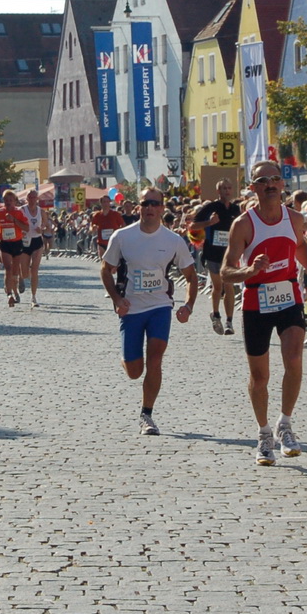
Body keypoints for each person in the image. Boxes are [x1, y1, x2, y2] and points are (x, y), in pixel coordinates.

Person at [222, 160, 307, 466]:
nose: (271, 184)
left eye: (275, 179)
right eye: (263, 181)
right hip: (256, 302)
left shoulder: (296, 218)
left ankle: (285, 424)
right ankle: (264, 434)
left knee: (295, 358)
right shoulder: (244, 225)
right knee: (260, 376)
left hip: (288, 296)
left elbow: (299, 246)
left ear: (283, 184)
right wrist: (250, 269)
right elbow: (226, 270)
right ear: (253, 187)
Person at [99, 186, 197, 437]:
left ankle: (147, 414)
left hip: (159, 307)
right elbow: (105, 269)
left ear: (162, 208)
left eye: (155, 203)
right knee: (134, 371)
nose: (150, 208)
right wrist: (116, 299)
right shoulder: (122, 237)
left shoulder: (174, 240)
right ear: (138, 207)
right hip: (131, 308)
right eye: (145, 204)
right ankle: (128, 358)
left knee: (156, 357)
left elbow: (191, 276)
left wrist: (188, 305)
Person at [188, 177, 241, 335]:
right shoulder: (211, 207)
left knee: (229, 286)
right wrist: (209, 223)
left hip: (229, 253)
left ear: (232, 190)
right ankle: (216, 314)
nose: (226, 191)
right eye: (223, 188)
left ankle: (229, 322)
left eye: (228, 188)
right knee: (218, 286)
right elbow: (193, 225)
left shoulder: (235, 209)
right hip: (212, 252)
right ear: (218, 191)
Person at [0, 189, 31, 307]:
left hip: (17, 243)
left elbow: (26, 227)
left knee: (15, 270)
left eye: (10, 200)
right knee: (8, 268)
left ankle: (15, 291)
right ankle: (9, 294)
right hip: (5, 243)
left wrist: (14, 220)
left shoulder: (19, 212)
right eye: (6, 200)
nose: (8, 202)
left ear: (14, 201)